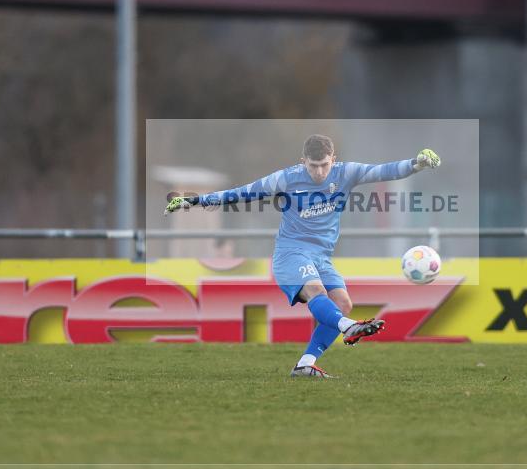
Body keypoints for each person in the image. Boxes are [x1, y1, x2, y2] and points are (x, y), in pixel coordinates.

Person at [165, 134, 441, 378]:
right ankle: (349, 328)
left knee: (342, 304)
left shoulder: (347, 173)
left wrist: (416, 164)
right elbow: (241, 193)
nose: (319, 171)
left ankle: (305, 364)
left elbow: (385, 171)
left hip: (321, 257)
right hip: (291, 253)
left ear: (334, 159)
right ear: (303, 161)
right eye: (313, 165)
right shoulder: (285, 178)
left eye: (324, 165)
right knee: (318, 294)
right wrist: (194, 200)